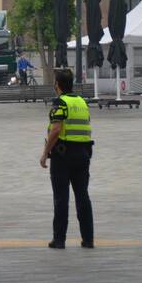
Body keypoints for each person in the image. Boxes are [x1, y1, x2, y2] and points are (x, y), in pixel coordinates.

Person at [40, 68, 94, 249]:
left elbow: (56, 129)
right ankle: (88, 239)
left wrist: (45, 152)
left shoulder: (60, 103)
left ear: (57, 85)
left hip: (63, 155)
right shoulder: (82, 102)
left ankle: (59, 239)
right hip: (84, 154)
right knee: (83, 197)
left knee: (61, 198)